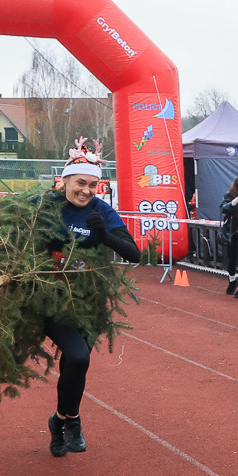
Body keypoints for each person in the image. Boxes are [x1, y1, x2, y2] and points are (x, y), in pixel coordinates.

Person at [46, 138, 141, 457]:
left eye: (93, 184)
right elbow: (16, 240)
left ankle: (61, 420)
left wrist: (106, 236)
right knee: (79, 356)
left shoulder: (102, 212)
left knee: (77, 364)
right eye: (80, 183)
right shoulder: (45, 206)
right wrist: (54, 254)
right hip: (51, 299)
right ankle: (71, 421)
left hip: (88, 302)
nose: (86, 190)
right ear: (65, 181)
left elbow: (135, 254)